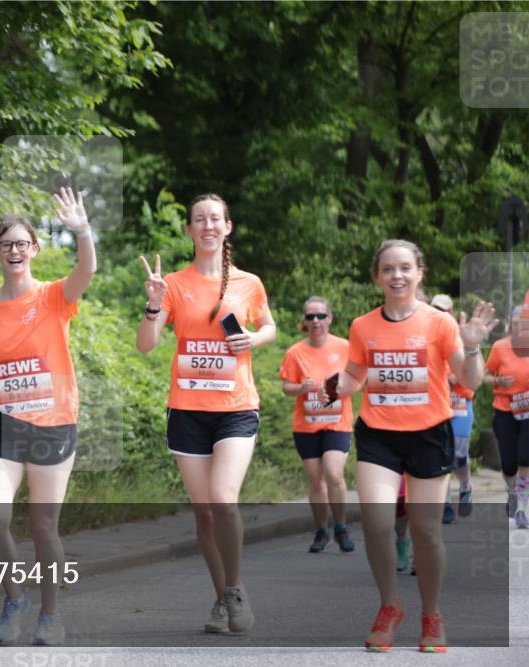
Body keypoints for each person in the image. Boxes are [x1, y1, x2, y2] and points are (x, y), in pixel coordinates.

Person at [323, 240, 495, 653]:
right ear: (376, 277)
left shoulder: (438, 323)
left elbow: (469, 381)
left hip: (429, 434)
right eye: (388, 269)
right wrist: (332, 387)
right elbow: (354, 375)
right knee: (378, 523)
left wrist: (471, 346)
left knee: (425, 532)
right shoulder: (363, 326)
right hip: (378, 433)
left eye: (405, 268)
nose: (396, 276)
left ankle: (431, 614)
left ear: (420, 273)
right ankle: (389, 606)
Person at [0, 188, 95, 646]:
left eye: (22, 243)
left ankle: (51, 614)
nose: (14, 250)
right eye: (6, 243)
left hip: (52, 423)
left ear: (34, 249)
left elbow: (86, 270)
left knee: (42, 526)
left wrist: (82, 230)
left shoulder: (53, 297)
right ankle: (15, 598)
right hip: (2, 422)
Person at [136, 193, 276, 634]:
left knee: (222, 499)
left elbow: (269, 325)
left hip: (236, 407)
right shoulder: (173, 283)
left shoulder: (249, 283)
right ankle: (221, 597)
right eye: (200, 219)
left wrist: (254, 340)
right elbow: (146, 343)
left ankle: (234, 590)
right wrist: (154, 304)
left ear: (227, 227)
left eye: (216, 219)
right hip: (188, 410)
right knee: (203, 514)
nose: (208, 225)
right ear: (190, 230)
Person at [279, 296, 355, 553]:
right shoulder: (295, 352)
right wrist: (301, 388)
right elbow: (286, 387)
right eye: (310, 317)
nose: (316, 321)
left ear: (330, 318)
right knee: (315, 481)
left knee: (334, 473)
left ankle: (341, 527)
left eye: (321, 316)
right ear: (304, 320)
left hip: (337, 422)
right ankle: (322, 530)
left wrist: (337, 390)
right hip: (306, 425)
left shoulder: (345, 347)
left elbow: (359, 379)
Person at [430, 294, 478, 522]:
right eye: (435, 309)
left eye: (443, 310)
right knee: (441, 454)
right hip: (437, 403)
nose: (439, 313)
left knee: (459, 454)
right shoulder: (423, 335)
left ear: (451, 313)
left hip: (460, 403)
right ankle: (446, 502)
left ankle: (466, 485)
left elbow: (476, 372)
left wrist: (453, 377)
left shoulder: (461, 335)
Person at [484, 305, 529, 527]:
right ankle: (512, 492)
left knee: (525, 459)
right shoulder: (500, 348)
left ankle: (522, 508)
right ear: (511, 325)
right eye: (517, 323)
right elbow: (484, 376)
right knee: (509, 464)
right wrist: (497, 382)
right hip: (505, 409)